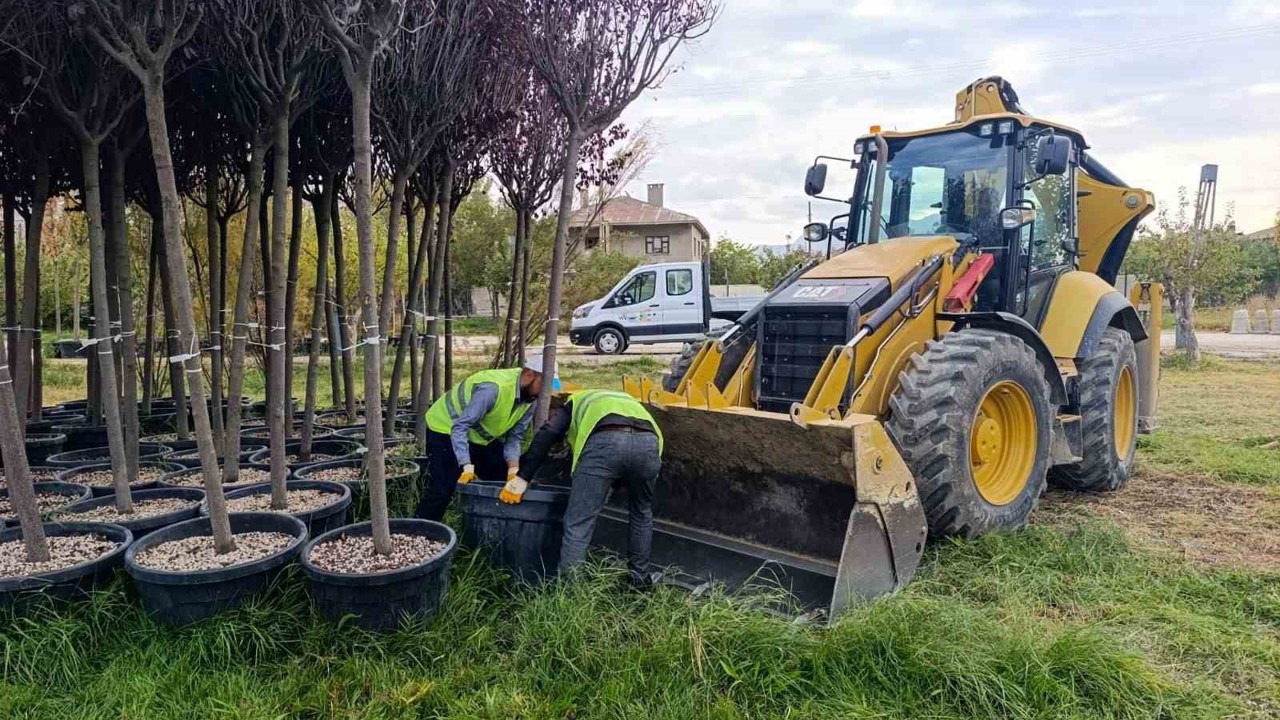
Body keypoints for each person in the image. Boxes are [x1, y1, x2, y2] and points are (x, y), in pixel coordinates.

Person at [508, 389, 663, 587]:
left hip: (605, 443)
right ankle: (639, 582)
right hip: (649, 444)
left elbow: (549, 432)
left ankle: (570, 591)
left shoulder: (576, 401)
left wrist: (523, 476)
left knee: (578, 523)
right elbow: (630, 460)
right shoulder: (630, 402)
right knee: (641, 513)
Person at [416, 358, 550, 521]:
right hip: (445, 428)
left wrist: (513, 470)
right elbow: (460, 427)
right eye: (543, 386)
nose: (544, 393)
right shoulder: (492, 389)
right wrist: (466, 464)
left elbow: (514, 437)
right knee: (442, 488)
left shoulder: (531, 399)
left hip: (478, 437)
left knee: (504, 477)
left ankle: (496, 525)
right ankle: (421, 531)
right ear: (529, 375)